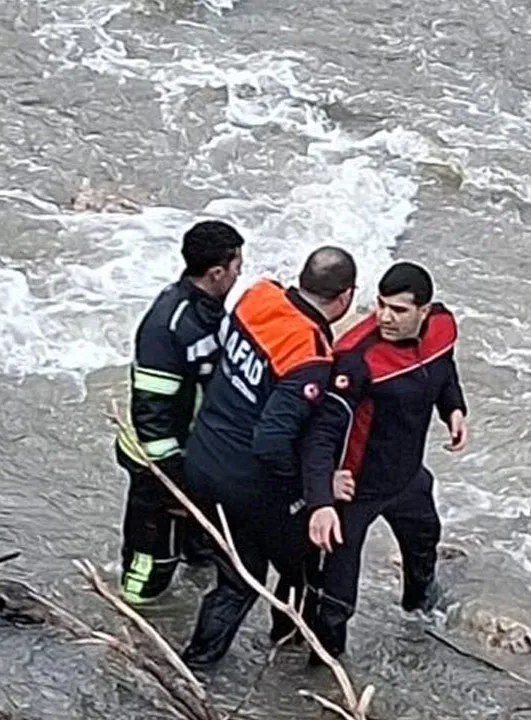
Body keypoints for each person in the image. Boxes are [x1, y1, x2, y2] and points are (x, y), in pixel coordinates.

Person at [178, 246, 358, 669]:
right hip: (244, 481)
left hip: (203, 455)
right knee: (291, 562)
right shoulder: (310, 355)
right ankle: (276, 643)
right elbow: (271, 443)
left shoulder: (259, 295)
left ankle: (199, 665)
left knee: (236, 573)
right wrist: (315, 489)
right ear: (346, 297)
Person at [298, 261, 467, 663]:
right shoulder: (355, 359)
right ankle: (321, 668)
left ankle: (420, 629)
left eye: (399, 310)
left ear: (424, 311)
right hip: (356, 488)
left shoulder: (443, 327)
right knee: (336, 598)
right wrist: (322, 496)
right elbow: (321, 431)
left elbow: (444, 369)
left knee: (424, 547)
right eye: (381, 306)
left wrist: (454, 409)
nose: (386, 318)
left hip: (407, 478)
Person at [113, 220, 244, 606]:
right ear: (217, 272)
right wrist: (172, 477)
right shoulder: (167, 327)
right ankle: (130, 628)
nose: (240, 273)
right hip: (157, 465)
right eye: (237, 265)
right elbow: (151, 414)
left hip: (194, 457)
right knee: (150, 563)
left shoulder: (208, 311)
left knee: (201, 550)